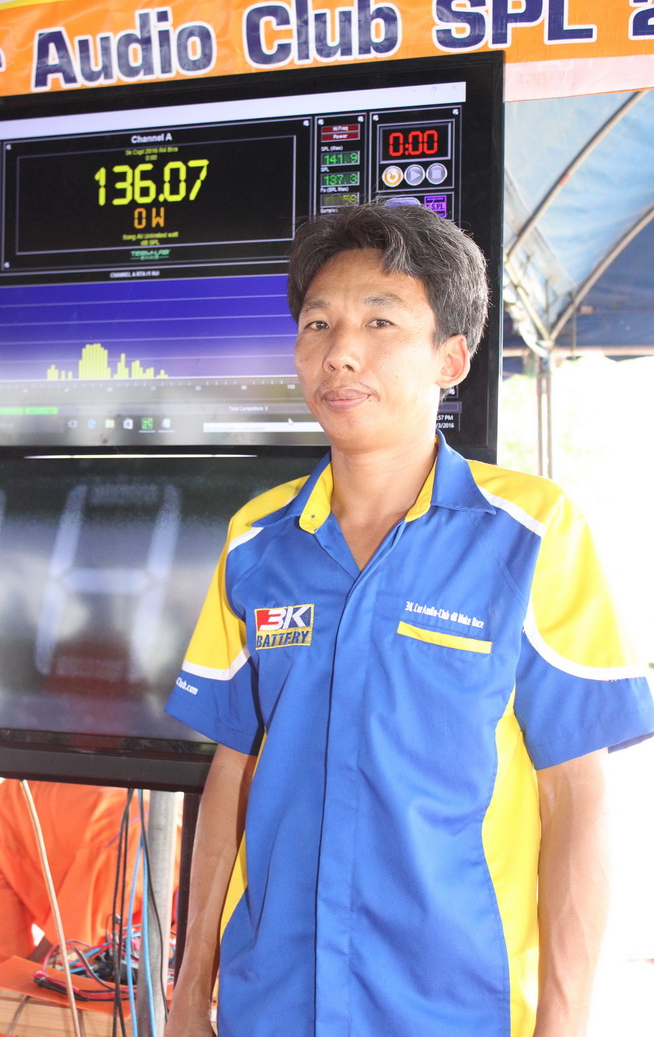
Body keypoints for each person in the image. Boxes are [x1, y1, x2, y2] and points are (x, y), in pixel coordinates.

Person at [164, 203, 654, 1037]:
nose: (338, 351)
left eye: (379, 321)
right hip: (272, 1003)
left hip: (454, 1008)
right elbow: (231, 775)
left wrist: (565, 1021)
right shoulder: (255, 540)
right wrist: (188, 993)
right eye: (317, 323)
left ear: (450, 357)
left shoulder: (531, 534)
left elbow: (576, 794)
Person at [0, 780, 176, 986]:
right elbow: (63, 951)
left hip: (54, 842)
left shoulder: (182, 859)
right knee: (4, 982)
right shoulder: (135, 863)